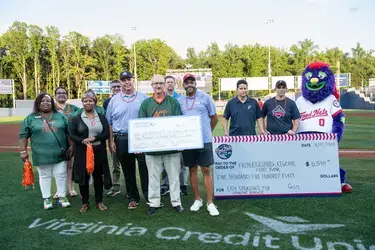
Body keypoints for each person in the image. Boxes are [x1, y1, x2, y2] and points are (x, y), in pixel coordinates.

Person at [138, 74, 184, 214]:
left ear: (164, 85)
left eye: (160, 83)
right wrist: (140, 144)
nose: (158, 86)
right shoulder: (146, 104)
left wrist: (179, 141)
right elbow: (141, 126)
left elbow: (178, 124)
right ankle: (154, 202)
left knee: (174, 176)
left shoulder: (173, 103)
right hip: (152, 149)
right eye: (155, 83)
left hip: (171, 148)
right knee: (153, 176)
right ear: (151, 85)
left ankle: (176, 202)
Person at [19, 92, 72, 210]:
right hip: (41, 154)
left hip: (59, 153)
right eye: (42, 101)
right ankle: (47, 198)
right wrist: (23, 151)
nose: (45, 103)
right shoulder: (30, 118)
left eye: (48, 100)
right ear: (38, 103)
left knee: (61, 175)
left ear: (52, 103)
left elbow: (68, 132)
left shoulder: (60, 116)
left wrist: (71, 146)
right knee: (44, 176)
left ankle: (62, 196)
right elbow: (23, 134)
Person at [106, 71, 149, 209]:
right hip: (122, 138)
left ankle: (149, 196)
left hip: (141, 138)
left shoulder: (143, 97)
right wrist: (111, 141)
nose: (126, 82)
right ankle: (133, 197)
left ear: (133, 80)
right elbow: (110, 122)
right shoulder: (114, 100)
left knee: (145, 168)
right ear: (120, 82)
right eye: (123, 80)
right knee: (128, 169)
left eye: (128, 79)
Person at [178, 73, 219, 216]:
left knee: (206, 170)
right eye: (187, 82)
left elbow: (214, 118)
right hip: (188, 142)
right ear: (183, 85)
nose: (189, 84)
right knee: (192, 169)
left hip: (204, 140)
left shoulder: (205, 97)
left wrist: (207, 132)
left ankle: (210, 202)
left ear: (195, 83)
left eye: (192, 81)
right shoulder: (180, 100)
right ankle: (197, 199)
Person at [69, 90, 111, 212]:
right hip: (83, 152)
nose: (88, 103)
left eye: (91, 100)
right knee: (84, 177)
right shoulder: (76, 119)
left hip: (98, 151)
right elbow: (72, 135)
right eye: (85, 101)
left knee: (98, 177)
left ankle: (99, 201)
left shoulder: (101, 117)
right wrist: (83, 140)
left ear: (95, 102)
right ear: (82, 103)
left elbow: (106, 134)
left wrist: (94, 138)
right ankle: (85, 203)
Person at [160, 75, 189, 196]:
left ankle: (183, 185)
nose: (170, 84)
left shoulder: (181, 98)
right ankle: (165, 184)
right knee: (164, 161)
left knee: (181, 161)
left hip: (178, 134)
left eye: (172, 82)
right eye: (168, 82)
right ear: (164, 85)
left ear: (175, 84)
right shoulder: (160, 98)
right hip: (164, 135)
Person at [54, 86, 80, 198]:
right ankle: (58, 190)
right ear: (55, 96)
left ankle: (71, 188)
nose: (61, 94)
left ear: (67, 95)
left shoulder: (74, 108)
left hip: (71, 140)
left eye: (63, 93)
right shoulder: (51, 108)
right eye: (58, 93)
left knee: (70, 165)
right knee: (57, 166)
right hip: (56, 140)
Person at [103, 80, 122, 197]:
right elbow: (107, 121)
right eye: (114, 86)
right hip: (114, 135)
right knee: (115, 163)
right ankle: (116, 186)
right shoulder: (107, 102)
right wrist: (110, 140)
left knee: (130, 163)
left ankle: (132, 187)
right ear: (111, 88)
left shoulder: (128, 98)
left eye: (118, 86)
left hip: (128, 135)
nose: (116, 88)